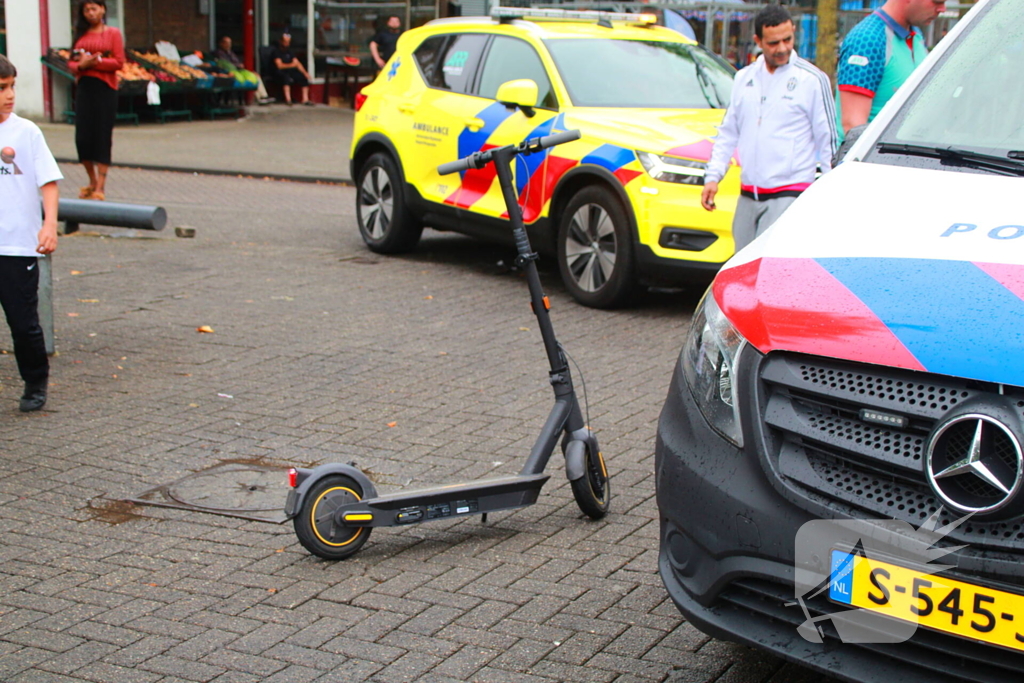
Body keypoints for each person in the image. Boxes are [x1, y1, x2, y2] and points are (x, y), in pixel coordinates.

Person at [701, 5, 837, 252]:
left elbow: (828, 140)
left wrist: (830, 194)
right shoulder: (745, 77)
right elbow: (729, 130)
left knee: (770, 271)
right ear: (758, 41)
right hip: (748, 195)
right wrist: (713, 176)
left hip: (789, 193)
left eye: (788, 39)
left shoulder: (812, 80)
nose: (783, 48)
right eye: (774, 43)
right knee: (741, 270)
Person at [0, 56, 61, 412]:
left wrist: (49, 224)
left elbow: (48, 183)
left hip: (18, 245)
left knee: (24, 326)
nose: (10, 95)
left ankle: (35, 381)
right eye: (1, 89)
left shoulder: (27, 132)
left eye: (12, 86)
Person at [835, 0, 946, 139]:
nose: (942, 9)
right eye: (937, 1)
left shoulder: (914, 34)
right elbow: (852, 126)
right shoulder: (867, 40)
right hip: (876, 157)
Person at [66, 0, 124, 202]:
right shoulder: (80, 34)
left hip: (105, 89)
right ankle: (91, 180)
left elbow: (118, 62)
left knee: (101, 135)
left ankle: (101, 186)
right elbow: (71, 63)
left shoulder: (112, 33)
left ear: (103, 9)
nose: (90, 13)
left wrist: (95, 62)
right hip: (84, 88)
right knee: (82, 137)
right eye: (86, 9)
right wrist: (81, 66)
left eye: (94, 8)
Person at [213, 36, 273, 105]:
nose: (228, 45)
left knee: (256, 75)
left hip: (239, 71)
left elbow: (237, 62)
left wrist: (239, 65)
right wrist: (237, 65)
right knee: (248, 78)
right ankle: (260, 98)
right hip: (230, 72)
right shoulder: (219, 53)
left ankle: (263, 96)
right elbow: (227, 64)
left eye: (230, 43)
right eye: (226, 43)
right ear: (221, 43)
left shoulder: (231, 53)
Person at [270, 33, 313, 106]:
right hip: (278, 72)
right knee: (286, 78)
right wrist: (292, 65)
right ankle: (288, 100)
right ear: (281, 41)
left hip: (290, 70)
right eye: (285, 41)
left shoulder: (290, 52)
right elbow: (279, 66)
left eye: (288, 42)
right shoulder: (276, 52)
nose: (287, 44)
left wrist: (305, 73)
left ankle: (305, 99)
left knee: (302, 77)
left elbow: (297, 63)